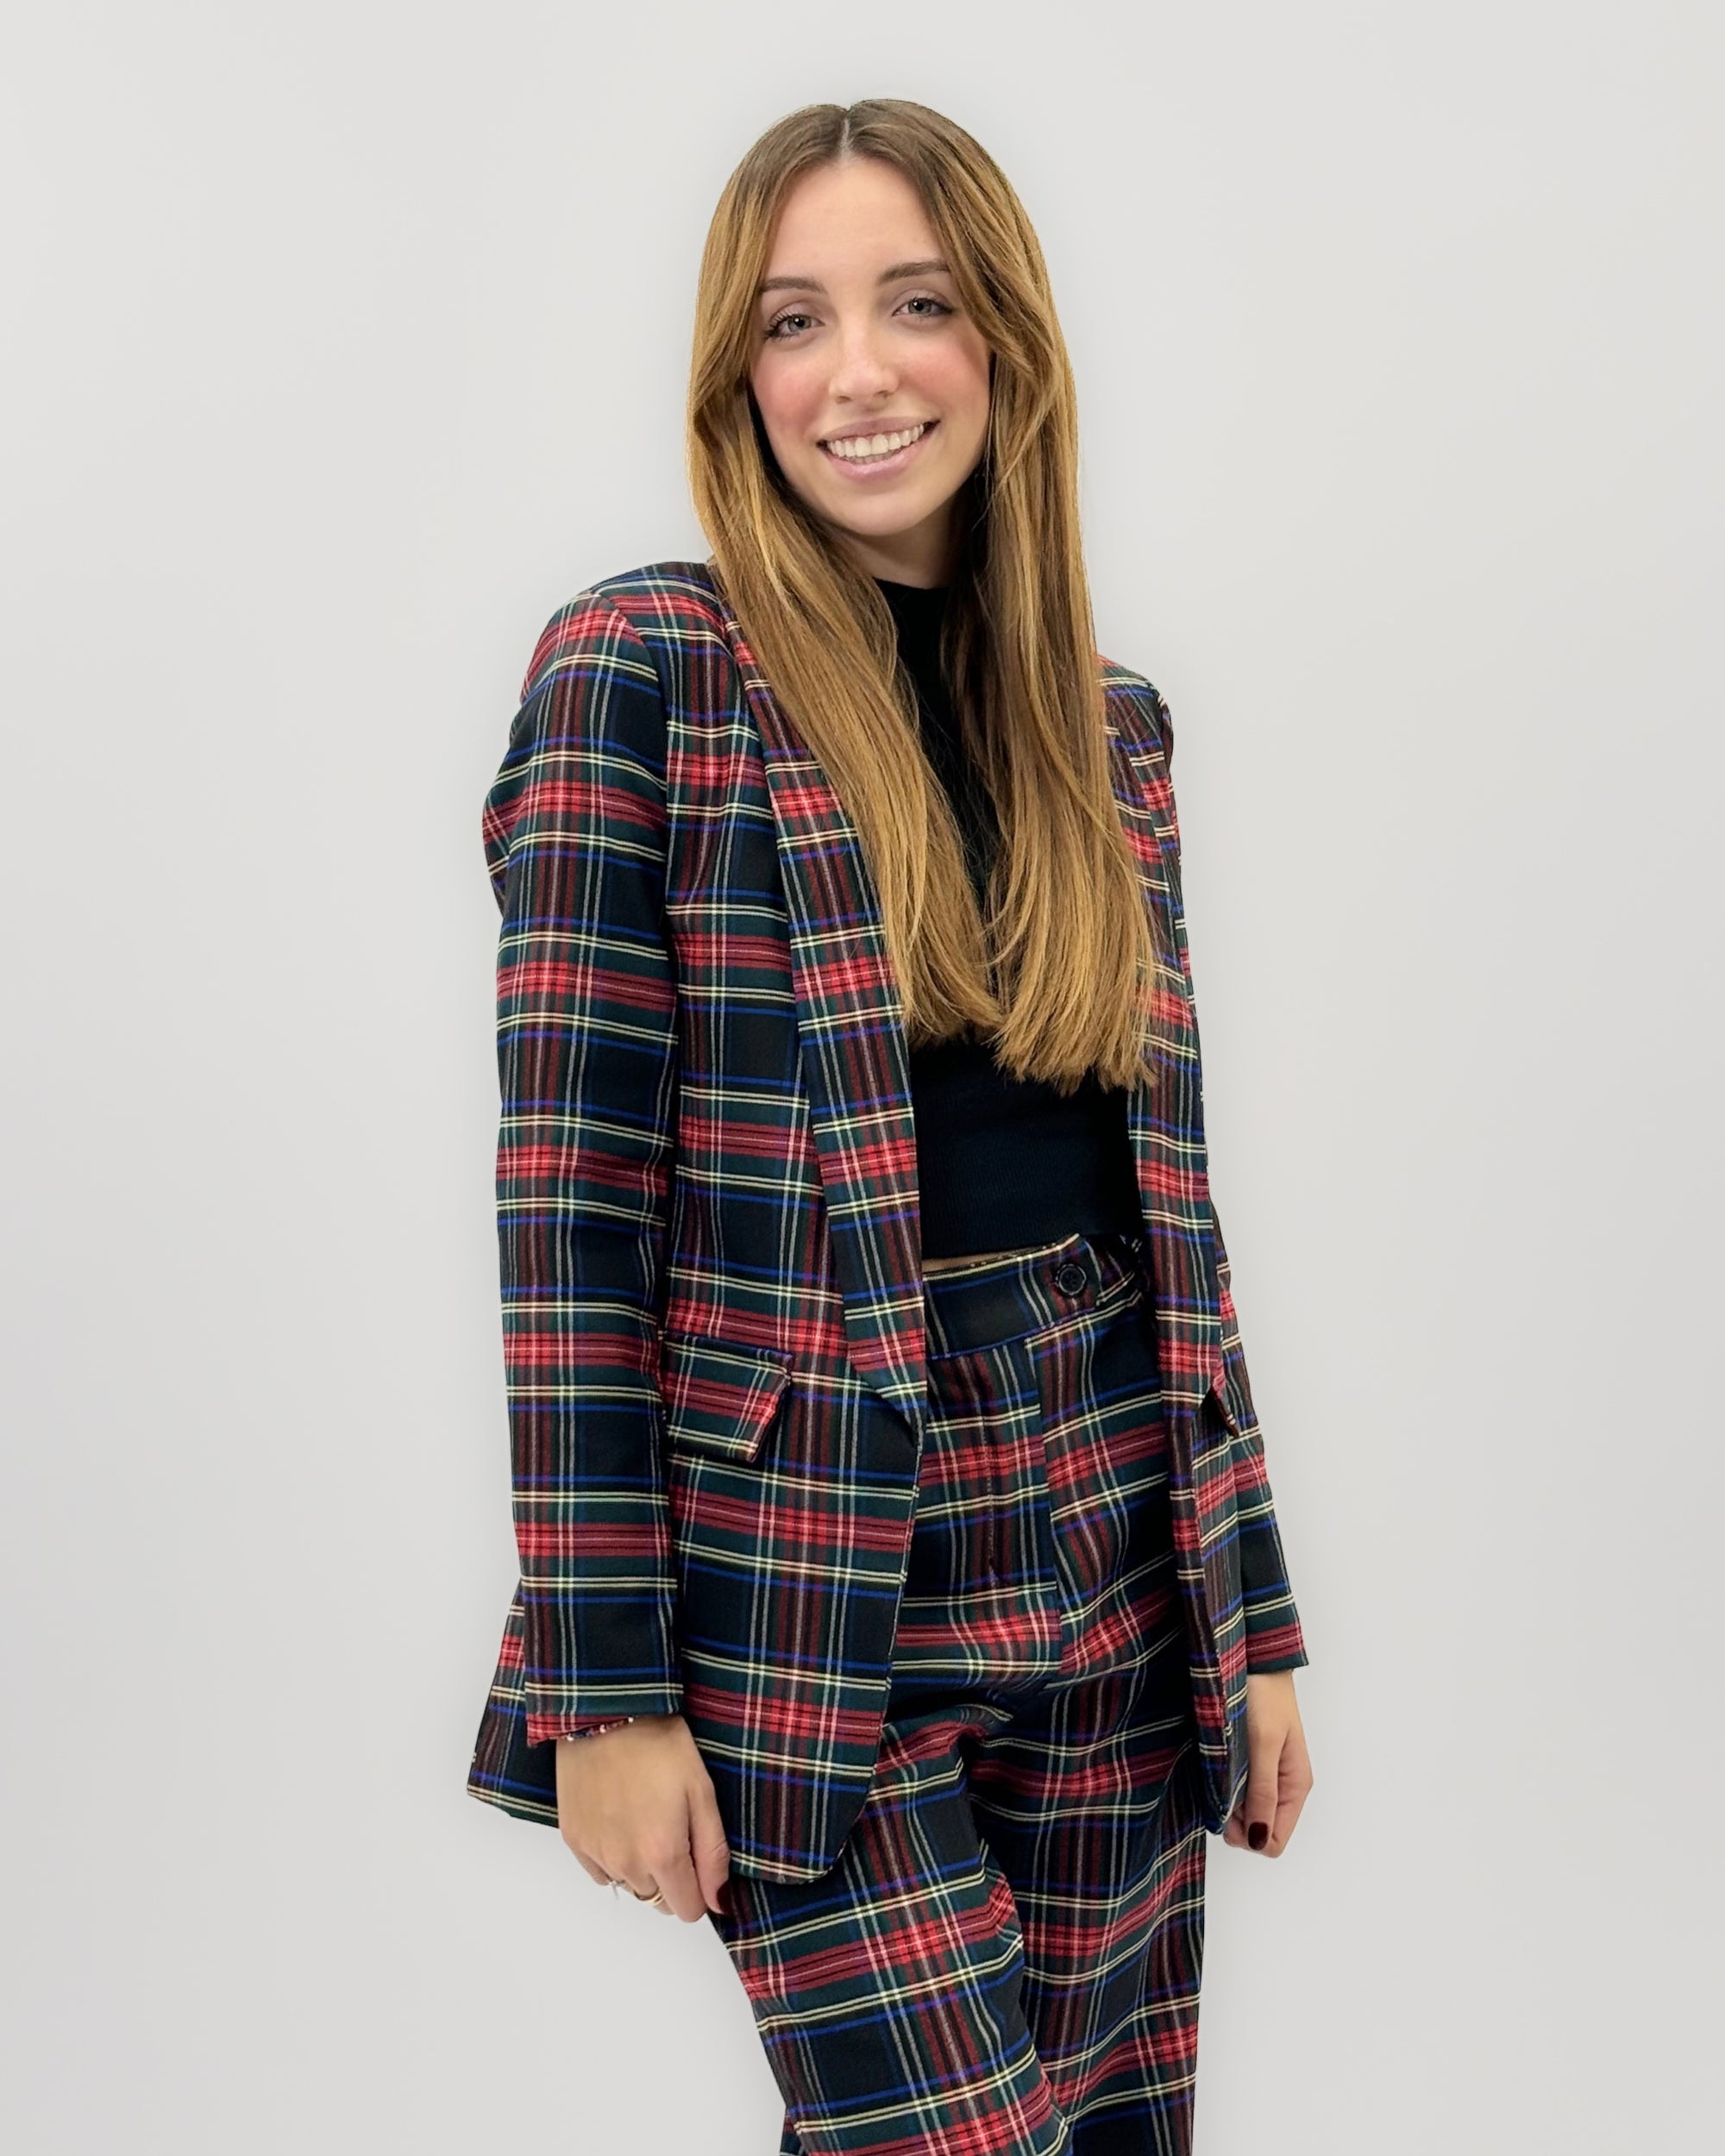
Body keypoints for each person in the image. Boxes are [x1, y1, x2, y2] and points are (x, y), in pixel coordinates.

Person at [467, 96, 1313, 2156]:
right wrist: (605, 1683)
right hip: (810, 1564)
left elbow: (1171, 1213)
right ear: (735, 377)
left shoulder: (1108, 726)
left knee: (1106, 2128)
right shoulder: (645, 672)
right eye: (793, 321)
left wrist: (1256, 1613)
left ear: (1002, 342)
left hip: (1115, 1507)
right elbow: (570, 1209)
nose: (856, 373)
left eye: (914, 304)